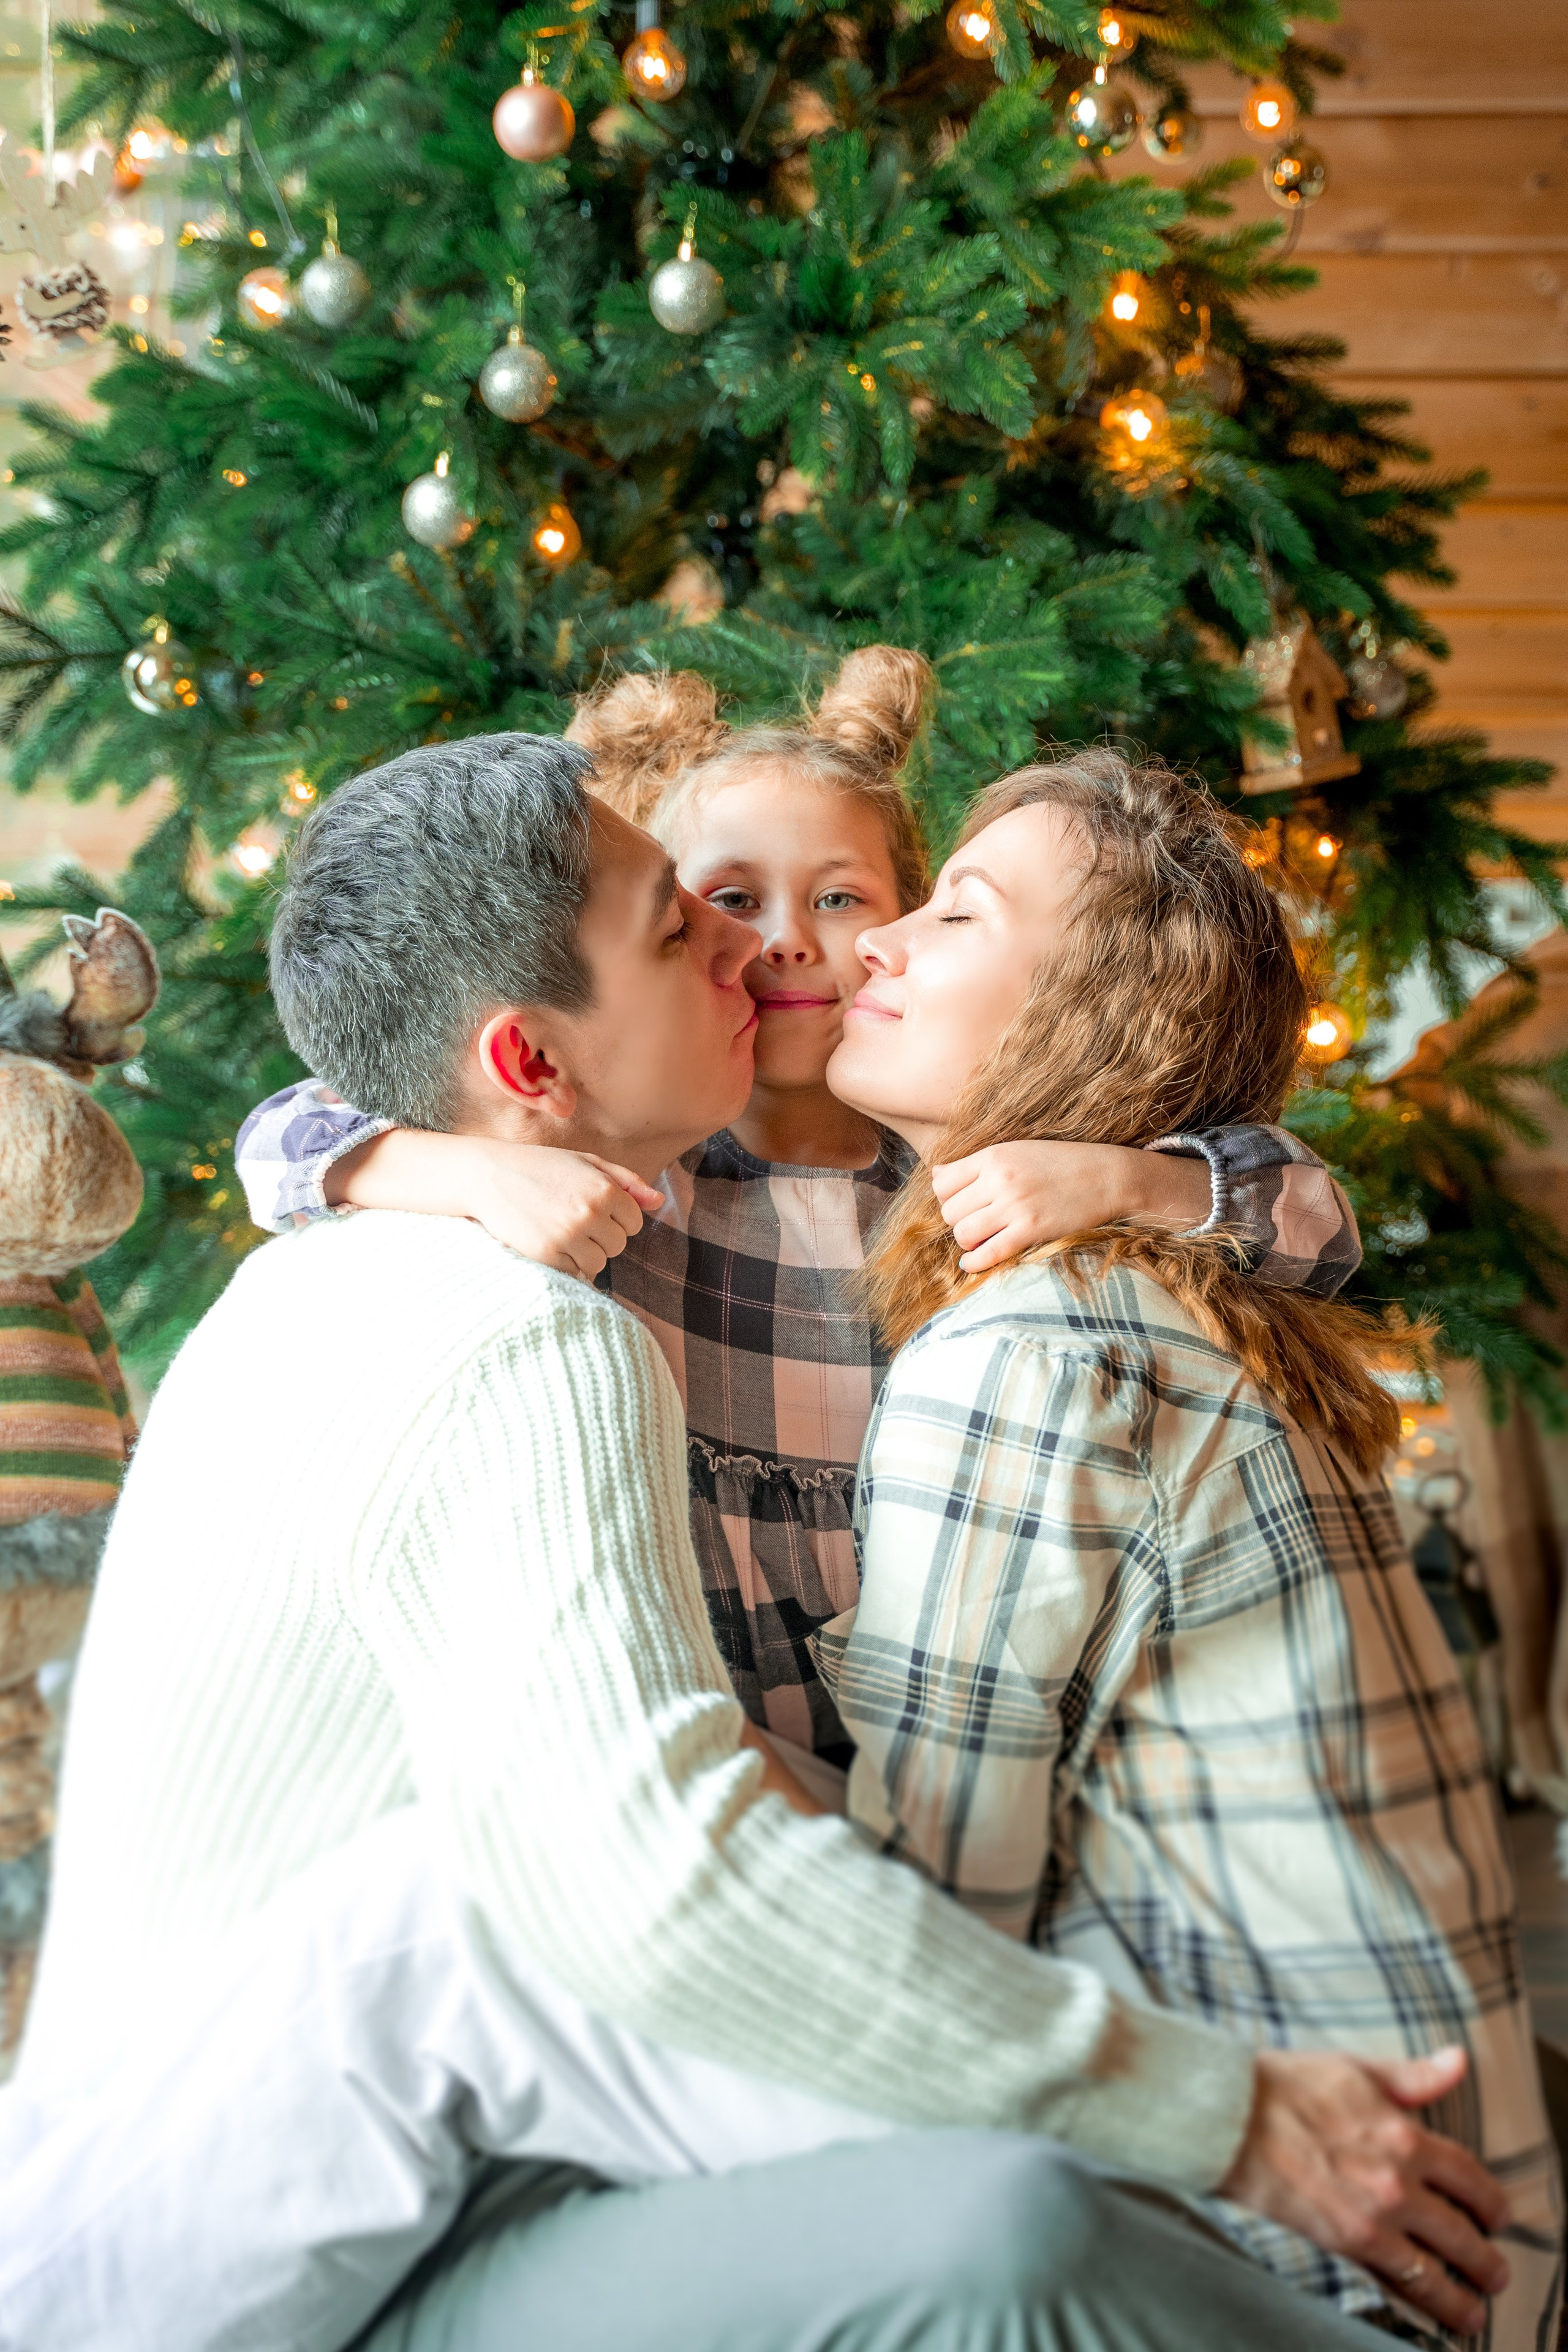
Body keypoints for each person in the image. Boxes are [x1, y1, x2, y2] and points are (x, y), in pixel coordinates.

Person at [0, 734, 1504, 2352]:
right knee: (1010, 2220)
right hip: (262, 2242)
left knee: (1003, 2210)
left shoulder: (386, 1278)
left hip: (447, 2116)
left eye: (884, 904)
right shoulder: (519, 1317)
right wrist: (1233, 2120)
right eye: (686, 919)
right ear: (527, 1071)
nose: (786, 948)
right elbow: (659, 1883)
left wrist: (1133, 1176)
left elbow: (1291, 1198)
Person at [237, 648, 1362, 1774]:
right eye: (727, 901)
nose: (779, 941)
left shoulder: (956, 1168)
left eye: (836, 898)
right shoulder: (638, 1166)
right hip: (717, 1719)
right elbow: (279, 1137)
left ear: (898, 930)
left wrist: (1129, 1182)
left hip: (941, 1707)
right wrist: (464, 1172)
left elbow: (1313, 1221)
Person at [813, 748, 1562, 2349]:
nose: (876, 937)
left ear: (1103, 1019)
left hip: (1310, 2254)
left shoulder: (1032, 1343)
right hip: (1479, 2213)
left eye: (956, 912)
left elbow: (947, 1902)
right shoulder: (1205, 1300)